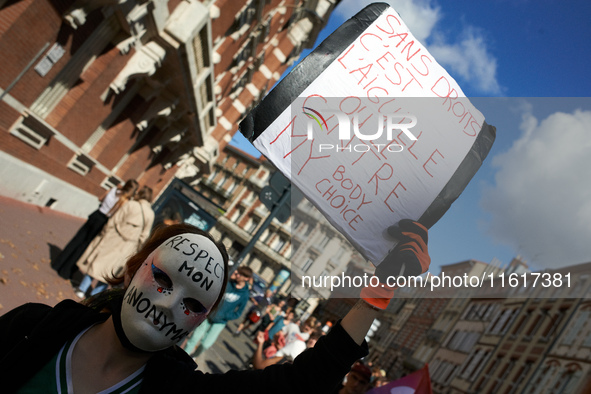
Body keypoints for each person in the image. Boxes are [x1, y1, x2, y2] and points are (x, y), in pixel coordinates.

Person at [0, 219, 429, 393]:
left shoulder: (180, 390)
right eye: (163, 278)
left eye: (192, 301)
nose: (168, 305)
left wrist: (376, 294)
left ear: (201, 321)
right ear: (133, 270)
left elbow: (301, 384)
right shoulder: (34, 327)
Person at [75, 185, 155, 297]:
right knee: (111, 271)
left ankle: (82, 289)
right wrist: (137, 249)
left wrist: (104, 233)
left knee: (97, 263)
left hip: (114, 237)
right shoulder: (150, 214)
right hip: (129, 246)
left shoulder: (131, 204)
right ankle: (94, 295)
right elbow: (144, 235)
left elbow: (115, 219)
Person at [51, 179, 138, 280]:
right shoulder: (125, 202)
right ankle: (65, 271)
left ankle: (57, 263)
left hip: (96, 214)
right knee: (84, 246)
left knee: (77, 239)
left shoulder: (113, 189)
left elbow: (100, 198)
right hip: (103, 221)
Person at [183, 265, 253, 357]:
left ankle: (194, 356)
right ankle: (182, 357)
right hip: (208, 316)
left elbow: (238, 313)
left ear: (246, 278)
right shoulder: (228, 283)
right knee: (194, 338)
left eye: (241, 274)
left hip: (220, 321)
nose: (238, 275)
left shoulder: (245, 294)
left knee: (206, 344)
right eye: (238, 272)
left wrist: (225, 315)